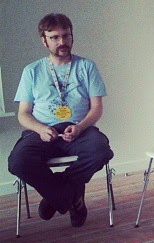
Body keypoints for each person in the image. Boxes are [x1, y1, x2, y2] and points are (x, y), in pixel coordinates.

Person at [8, 13, 113, 228]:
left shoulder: (87, 67)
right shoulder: (32, 71)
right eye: (54, 37)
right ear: (44, 40)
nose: (62, 42)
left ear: (72, 36)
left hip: (79, 130)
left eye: (66, 35)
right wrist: (41, 129)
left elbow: (96, 109)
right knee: (18, 161)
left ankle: (55, 197)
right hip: (42, 131)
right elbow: (24, 114)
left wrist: (81, 126)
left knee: (100, 150)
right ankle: (72, 198)